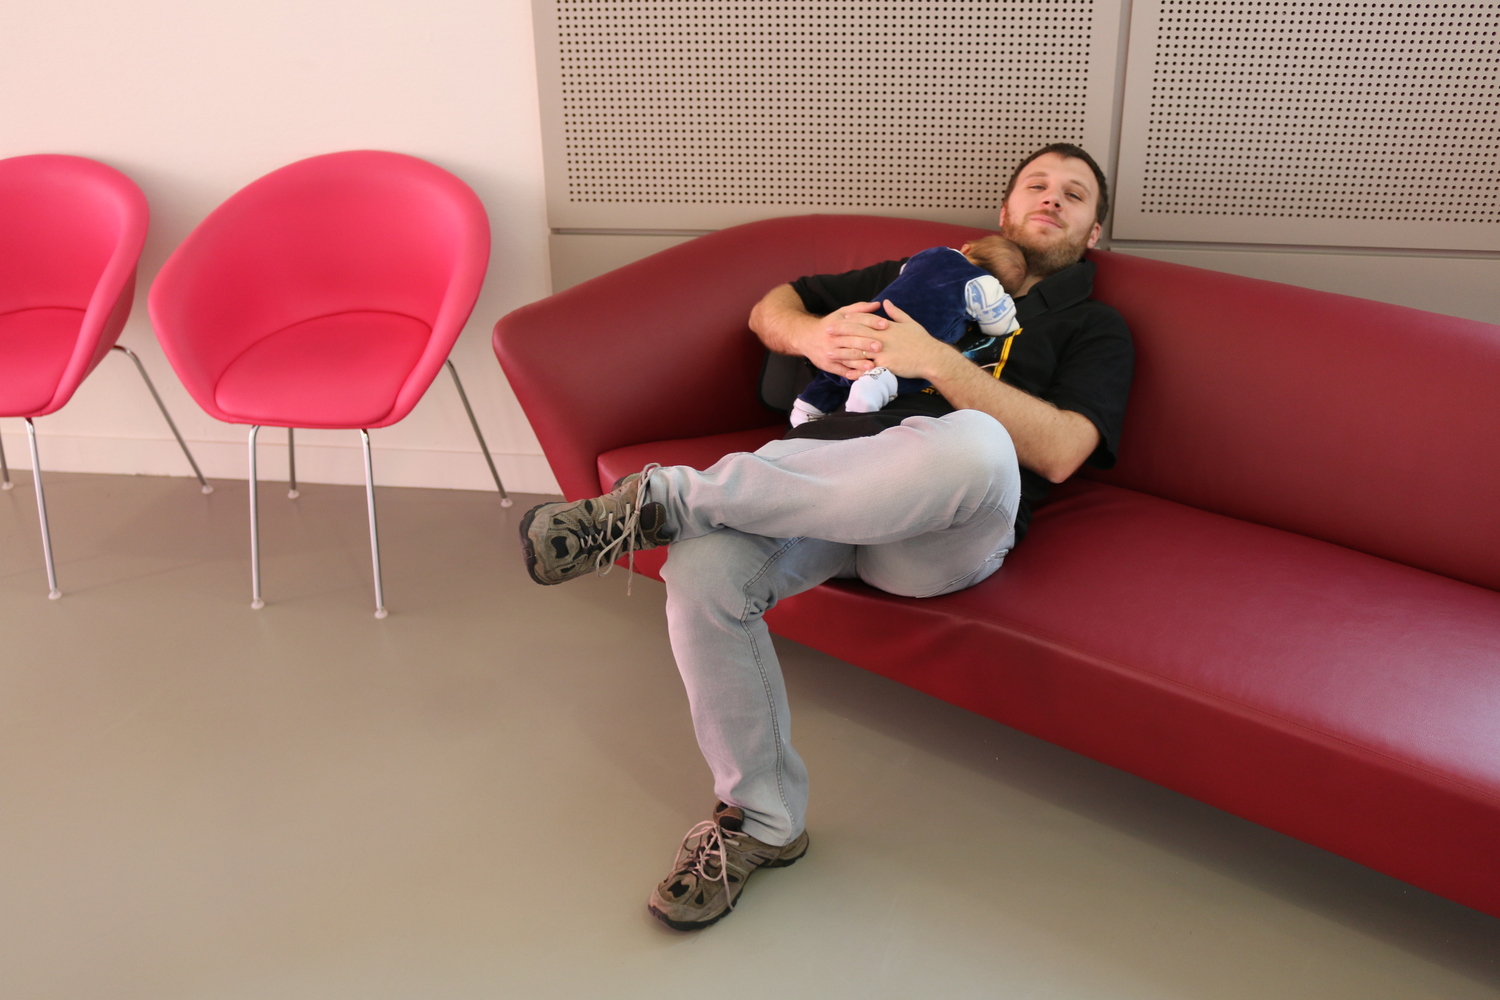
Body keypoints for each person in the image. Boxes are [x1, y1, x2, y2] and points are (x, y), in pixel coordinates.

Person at [519, 143, 1134, 932]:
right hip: (826, 487)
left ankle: (666, 499)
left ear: (1094, 231)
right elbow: (771, 307)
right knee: (702, 572)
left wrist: (936, 362)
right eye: (1037, 185)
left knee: (978, 440)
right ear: (1006, 208)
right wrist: (811, 337)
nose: (1051, 199)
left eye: (1074, 195)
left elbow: (1062, 450)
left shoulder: (1096, 325)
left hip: (941, 531)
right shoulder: (928, 270)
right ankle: (763, 820)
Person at [790, 235, 1027, 426]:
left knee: (842, 363)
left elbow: (906, 271)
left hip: (869, 322)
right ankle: (879, 383)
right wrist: (1005, 302)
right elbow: (1000, 326)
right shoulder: (984, 284)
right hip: (907, 339)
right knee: (923, 366)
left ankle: (808, 406)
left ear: (966, 248)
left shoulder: (936, 253)